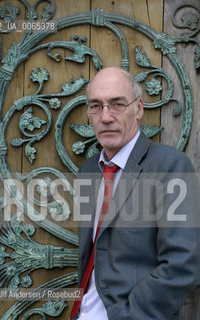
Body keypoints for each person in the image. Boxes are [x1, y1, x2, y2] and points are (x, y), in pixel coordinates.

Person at [70, 67, 200, 320]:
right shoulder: (88, 171)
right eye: (95, 106)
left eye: (117, 104)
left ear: (139, 108)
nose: (105, 116)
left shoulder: (169, 166)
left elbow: (183, 263)